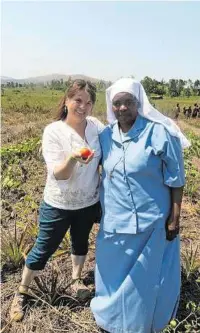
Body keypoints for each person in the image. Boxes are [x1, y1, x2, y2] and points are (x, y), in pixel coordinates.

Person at [91, 78, 190, 333]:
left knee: (145, 281)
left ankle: (142, 323)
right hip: (115, 220)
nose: (122, 108)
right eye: (117, 103)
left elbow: (176, 179)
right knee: (112, 274)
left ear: (139, 103)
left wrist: (174, 217)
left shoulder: (160, 133)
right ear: (111, 106)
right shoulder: (105, 136)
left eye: (128, 102)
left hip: (151, 223)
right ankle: (112, 319)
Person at [10, 79, 104, 321]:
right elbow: (59, 174)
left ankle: (76, 279)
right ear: (66, 101)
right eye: (78, 100)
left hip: (88, 201)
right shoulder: (53, 131)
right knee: (44, 248)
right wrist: (73, 157)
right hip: (59, 203)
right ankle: (22, 292)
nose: (83, 107)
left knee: (81, 242)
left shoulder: (96, 127)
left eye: (88, 102)